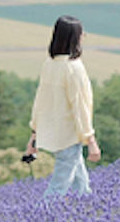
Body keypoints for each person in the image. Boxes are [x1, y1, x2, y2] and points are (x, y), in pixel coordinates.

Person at [26, 15, 100, 199]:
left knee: (81, 185)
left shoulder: (49, 64)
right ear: (74, 38)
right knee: (58, 187)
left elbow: (40, 101)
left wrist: (34, 133)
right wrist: (91, 141)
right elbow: (80, 107)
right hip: (69, 135)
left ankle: (87, 213)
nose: (84, 37)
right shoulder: (74, 68)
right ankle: (39, 217)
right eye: (81, 34)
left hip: (55, 134)